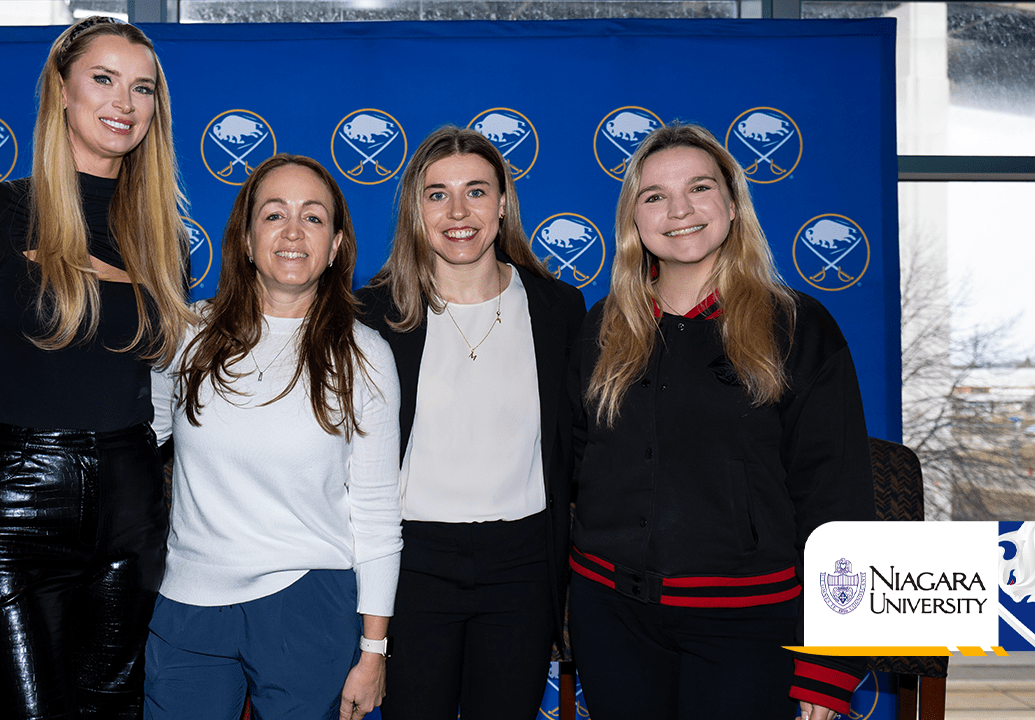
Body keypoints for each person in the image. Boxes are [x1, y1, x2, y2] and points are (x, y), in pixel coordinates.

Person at [0, 16, 193, 718]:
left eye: (142, 88)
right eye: (103, 79)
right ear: (61, 89)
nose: (124, 102)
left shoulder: (166, 241)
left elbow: (163, 396)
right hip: (14, 518)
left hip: (132, 514)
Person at [567, 122, 875, 720]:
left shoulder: (798, 326)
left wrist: (831, 657)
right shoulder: (601, 326)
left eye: (699, 188)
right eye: (655, 196)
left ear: (733, 205)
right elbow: (576, 466)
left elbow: (837, 497)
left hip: (749, 625)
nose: (679, 210)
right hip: (611, 618)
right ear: (634, 219)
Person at [144, 154, 402, 720]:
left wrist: (374, 650)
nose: (292, 232)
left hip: (310, 604)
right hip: (189, 602)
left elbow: (378, 513)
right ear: (245, 238)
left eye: (313, 217)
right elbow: (130, 440)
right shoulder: (187, 334)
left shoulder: (365, 355)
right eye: (274, 214)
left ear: (335, 246)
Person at [355, 126, 585, 720]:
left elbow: (578, 446)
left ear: (503, 203)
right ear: (416, 209)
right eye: (438, 195)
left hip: (523, 564)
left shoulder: (558, 308)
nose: (458, 212)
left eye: (476, 191)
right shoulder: (375, 313)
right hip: (413, 563)